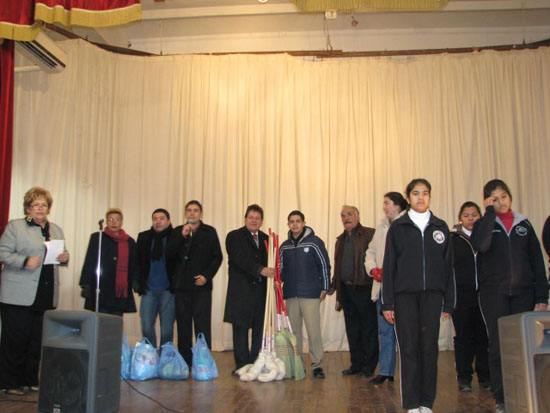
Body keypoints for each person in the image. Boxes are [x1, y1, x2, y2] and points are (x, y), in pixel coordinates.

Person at [471, 179, 548, 413]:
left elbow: (537, 261)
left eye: (504, 196)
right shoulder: (483, 224)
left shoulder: (524, 223)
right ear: (487, 201)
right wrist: (489, 214)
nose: (501, 201)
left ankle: (525, 393)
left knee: (524, 346)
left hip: (524, 293)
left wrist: (541, 296)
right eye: (495, 198)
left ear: (510, 197)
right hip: (494, 294)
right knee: (498, 345)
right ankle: (501, 398)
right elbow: (481, 246)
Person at [381, 178, 455, 413]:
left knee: (429, 348)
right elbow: (389, 265)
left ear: (430, 197)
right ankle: (412, 403)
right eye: (415, 193)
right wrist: (388, 302)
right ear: (408, 197)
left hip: (433, 297)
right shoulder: (398, 227)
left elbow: (448, 267)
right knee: (409, 348)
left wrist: (449, 301)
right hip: (404, 298)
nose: (420, 197)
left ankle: (426, 402)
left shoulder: (440, 227)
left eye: (425, 193)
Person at [0, 187, 69, 395]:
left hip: (45, 294)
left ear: (49, 208)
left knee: (36, 340)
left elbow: (61, 255)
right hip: (17, 295)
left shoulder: (56, 229)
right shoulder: (16, 227)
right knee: (15, 340)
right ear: (28, 208)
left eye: (44, 205)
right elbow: (2, 252)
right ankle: (10, 382)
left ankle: (30, 379)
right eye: (35, 205)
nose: (40, 208)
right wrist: (24, 261)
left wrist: (65, 258)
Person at [166, 200, 222, 367]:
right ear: (185, 214)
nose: (192, 213)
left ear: (201, 213)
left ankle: (203, 360)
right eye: (189, 210)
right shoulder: (177, 231)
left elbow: (217, 257)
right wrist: (182, 236)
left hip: (201, 287)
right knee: (183, 326)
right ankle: (185, 361)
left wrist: (206, 276)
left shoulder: (209, 232)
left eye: (195, 210)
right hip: (182, 287)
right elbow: (168, 253)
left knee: (202, 325)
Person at [223, 204, 276, 374]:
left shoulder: (268, 239)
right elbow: (239, 259)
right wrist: (261, 270)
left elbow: (272, 263)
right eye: (251, 217)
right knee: (240, 330)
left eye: (257, 218)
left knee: (259, 330)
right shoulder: (234, 236)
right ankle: (241, 366)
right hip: (241, 292)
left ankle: (256, 363)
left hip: (261, 293)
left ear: (261, 221)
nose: (254, 220)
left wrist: (275, 275)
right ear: (245, 219)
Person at [279, 210, 331, 379]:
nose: (295, 224)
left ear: (303, 223)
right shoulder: (284, 246)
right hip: (291, 295)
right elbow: (281, 271)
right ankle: (298, 362)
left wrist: (324, 287)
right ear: (288, 224)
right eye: (292, 221)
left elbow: (324, 265)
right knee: (294, 333)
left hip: (310, 293)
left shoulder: (315, 242)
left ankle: (317, 365)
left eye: (298, 221)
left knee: (313, 330)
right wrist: (278, 281)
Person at [365, 192, 407, 385]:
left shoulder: (407, 225)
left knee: (405, 332)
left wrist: (393, 272)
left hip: (402, 289)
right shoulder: (381, 227)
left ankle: (408, 373)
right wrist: (373, 269)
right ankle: (386, 371)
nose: (384, 207)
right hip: (382, 288)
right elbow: (370, 251)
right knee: (384, 331)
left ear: (398, 205)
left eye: (387, 203)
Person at [330, 205, 377, 378]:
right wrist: (333, 285)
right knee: (352, 329)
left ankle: (369, 366)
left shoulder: (369, 235)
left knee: (368, 329)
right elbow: (338, 266)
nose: (346, 218)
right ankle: (356, 364)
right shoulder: (340, 239)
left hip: (364, 288)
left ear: (357, 216)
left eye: (349, 214)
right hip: (346, 290)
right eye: (342, 215)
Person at [450, 202, 490, 393]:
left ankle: (485, 377)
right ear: (460, 218)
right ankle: (464, 377)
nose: (471, 218)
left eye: (474, 214)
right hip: (462, 297)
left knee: (484, 337)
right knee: (464, 338)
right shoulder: (452, 239)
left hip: (485, 296)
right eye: (466, 215)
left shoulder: (488, 236)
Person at [80, 208, 138, 316]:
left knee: (116, 322)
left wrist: (135, 280)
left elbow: (134, 264)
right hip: (101, 288)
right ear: (106, 222)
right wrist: (85, 284)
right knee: (100, 321)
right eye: (110, 219)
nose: (113, 222)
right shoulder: (98, 238)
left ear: (122, 222)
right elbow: (89, 261)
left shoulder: (129, 241)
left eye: (117, 219)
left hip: (119, 290)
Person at [135, 208, 176, 348]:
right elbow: (137, 262)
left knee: (167, 331)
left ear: (169, 221)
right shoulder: (144, 237)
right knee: (146, 327)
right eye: (155, 218)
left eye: (161, 218)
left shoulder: (176, 237)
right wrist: (138, 283)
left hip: (168, 291)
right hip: (149, 290)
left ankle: (165, 358)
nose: (158, 221)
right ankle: (150, 355)